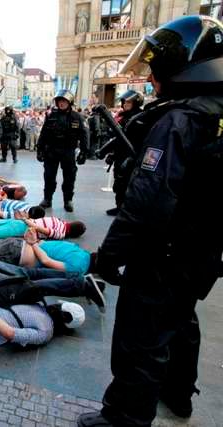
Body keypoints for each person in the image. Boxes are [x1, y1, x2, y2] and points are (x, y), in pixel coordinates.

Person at [77, 16, 223, 427]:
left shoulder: (180, 120)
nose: (154, 80)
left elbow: (145, 203)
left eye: (157, 70)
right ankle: (178, 394)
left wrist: (109, 256)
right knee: (181, 323)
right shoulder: (214, 113)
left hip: (163, 254)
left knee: (140, 341)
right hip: (200, 253)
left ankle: (124, 418)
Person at [36, 90, 89, 212]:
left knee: (69, 177)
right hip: (51, 151)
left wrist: (84, 152)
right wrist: (40, 149)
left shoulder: (77, 117)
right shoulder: (51, 116)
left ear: (69, 102)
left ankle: (68, 200)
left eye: (64, 101)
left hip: (68, 151)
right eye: (59, 101)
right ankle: (47, 199)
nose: (61, 103)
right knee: (49, 176)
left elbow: (84, 135)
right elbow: (43, 134)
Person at [106, 90, 144, 216]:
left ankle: (128, 210)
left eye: (128, 102)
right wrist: (112, 155)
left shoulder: (141, 117)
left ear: (136, 102)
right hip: (121, 155)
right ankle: (119, 207)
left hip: (133, 157)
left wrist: (134, 157)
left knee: (130, 184)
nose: (125, 104)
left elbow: (142, 140)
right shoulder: (124, 118)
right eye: (124, 102)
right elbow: (118, 139)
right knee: (119, 184)